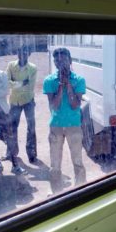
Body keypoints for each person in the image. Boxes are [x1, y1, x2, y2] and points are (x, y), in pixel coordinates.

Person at [43, 47, 87, 194]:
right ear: (54, 63)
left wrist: (68, 84)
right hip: (56, 126)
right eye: (57, 60)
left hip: (74, 126)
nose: (60, 62)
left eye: (64, 59)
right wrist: (61, 86)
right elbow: (54, 106)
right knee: (55, 164)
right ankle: (56, 193)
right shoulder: (49, 81)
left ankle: (81, 189)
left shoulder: (79, 80)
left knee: (78, 161)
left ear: (70, 61)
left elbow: (75, 106)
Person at [6, 45, 38, 164]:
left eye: (25, 52)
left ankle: (32, 154)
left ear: (29, 54)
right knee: (12, 128)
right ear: (17, 53)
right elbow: (7, 83)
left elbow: (30, 86)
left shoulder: (33, 68)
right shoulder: (10, 65)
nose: (23, 54)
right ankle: (11, 153)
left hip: (28, 100)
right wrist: (21, 83)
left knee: (31, 128)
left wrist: (15, 83)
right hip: (14, 101)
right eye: (20, 52)